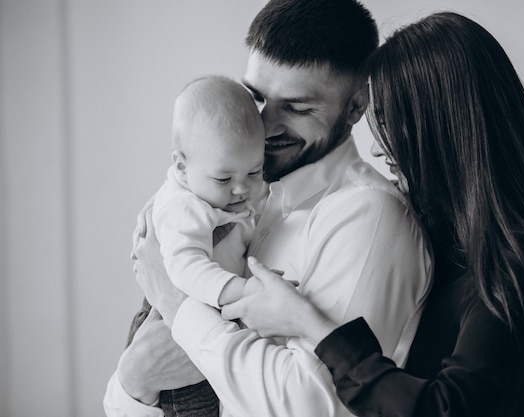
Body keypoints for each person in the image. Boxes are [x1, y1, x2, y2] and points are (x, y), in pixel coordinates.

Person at [219, 11, 524, 417]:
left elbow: (444, 410)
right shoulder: (440, 232)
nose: (379, 149)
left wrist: (310, 323)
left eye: (391, 121)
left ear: (447, 127)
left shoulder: (517, 261)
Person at [103, 1, 433, 416]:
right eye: (256, 97)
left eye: (296, 108)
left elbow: (319, 405)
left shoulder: (369, 217)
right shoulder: (231, 191)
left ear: (355, 107)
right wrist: (135, 380)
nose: (265, 126)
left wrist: (175, 304)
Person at [114, 75, 266, 415]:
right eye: (225, 179)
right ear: (181, 167)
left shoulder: (219, 189)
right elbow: (185, 269)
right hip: (167, 327)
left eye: (255, 172)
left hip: (197, 325)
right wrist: (242, 291)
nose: (242, 189)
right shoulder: (184, 208)